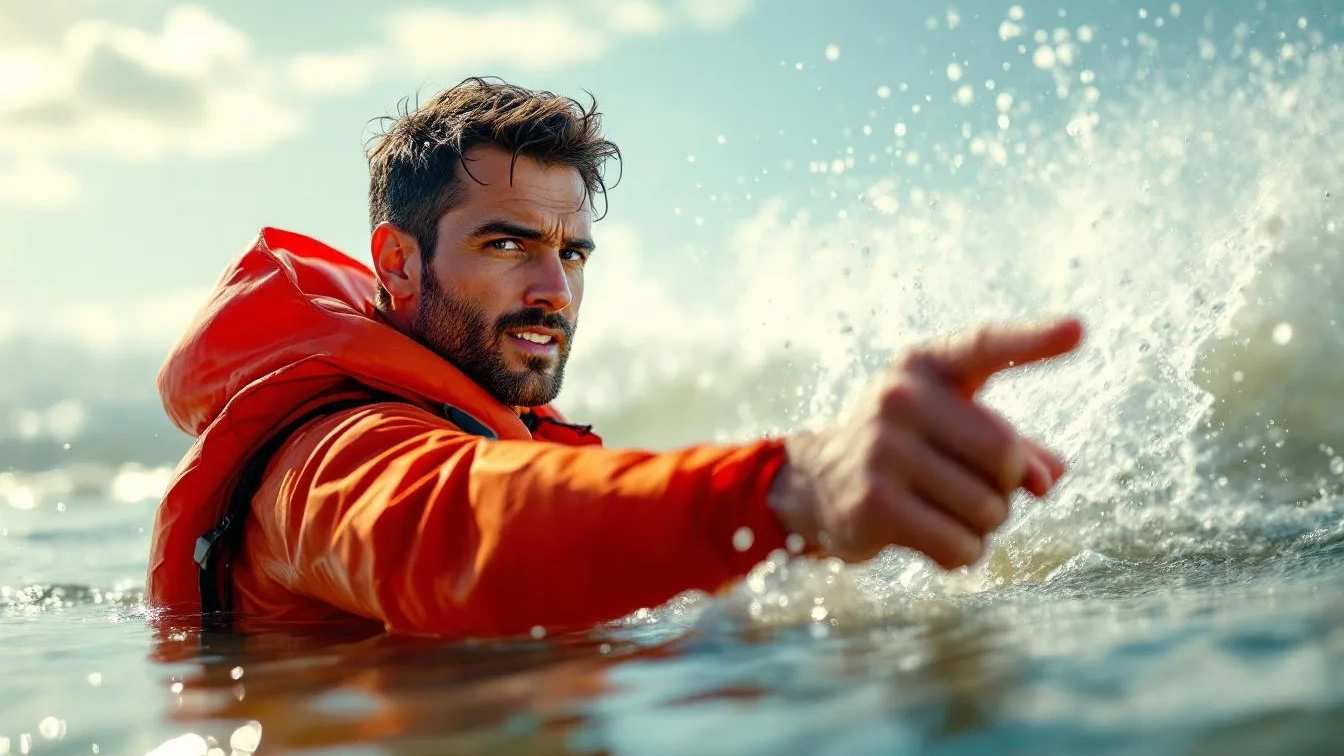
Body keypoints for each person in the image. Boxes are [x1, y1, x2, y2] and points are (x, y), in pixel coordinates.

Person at [146, 77, 1083, 638]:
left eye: (573, 252)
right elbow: (450, 531)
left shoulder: (481, 423)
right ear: (398, 262)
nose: (555, 287)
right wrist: (784, 488)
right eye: (509, 245)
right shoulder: (330, 455)